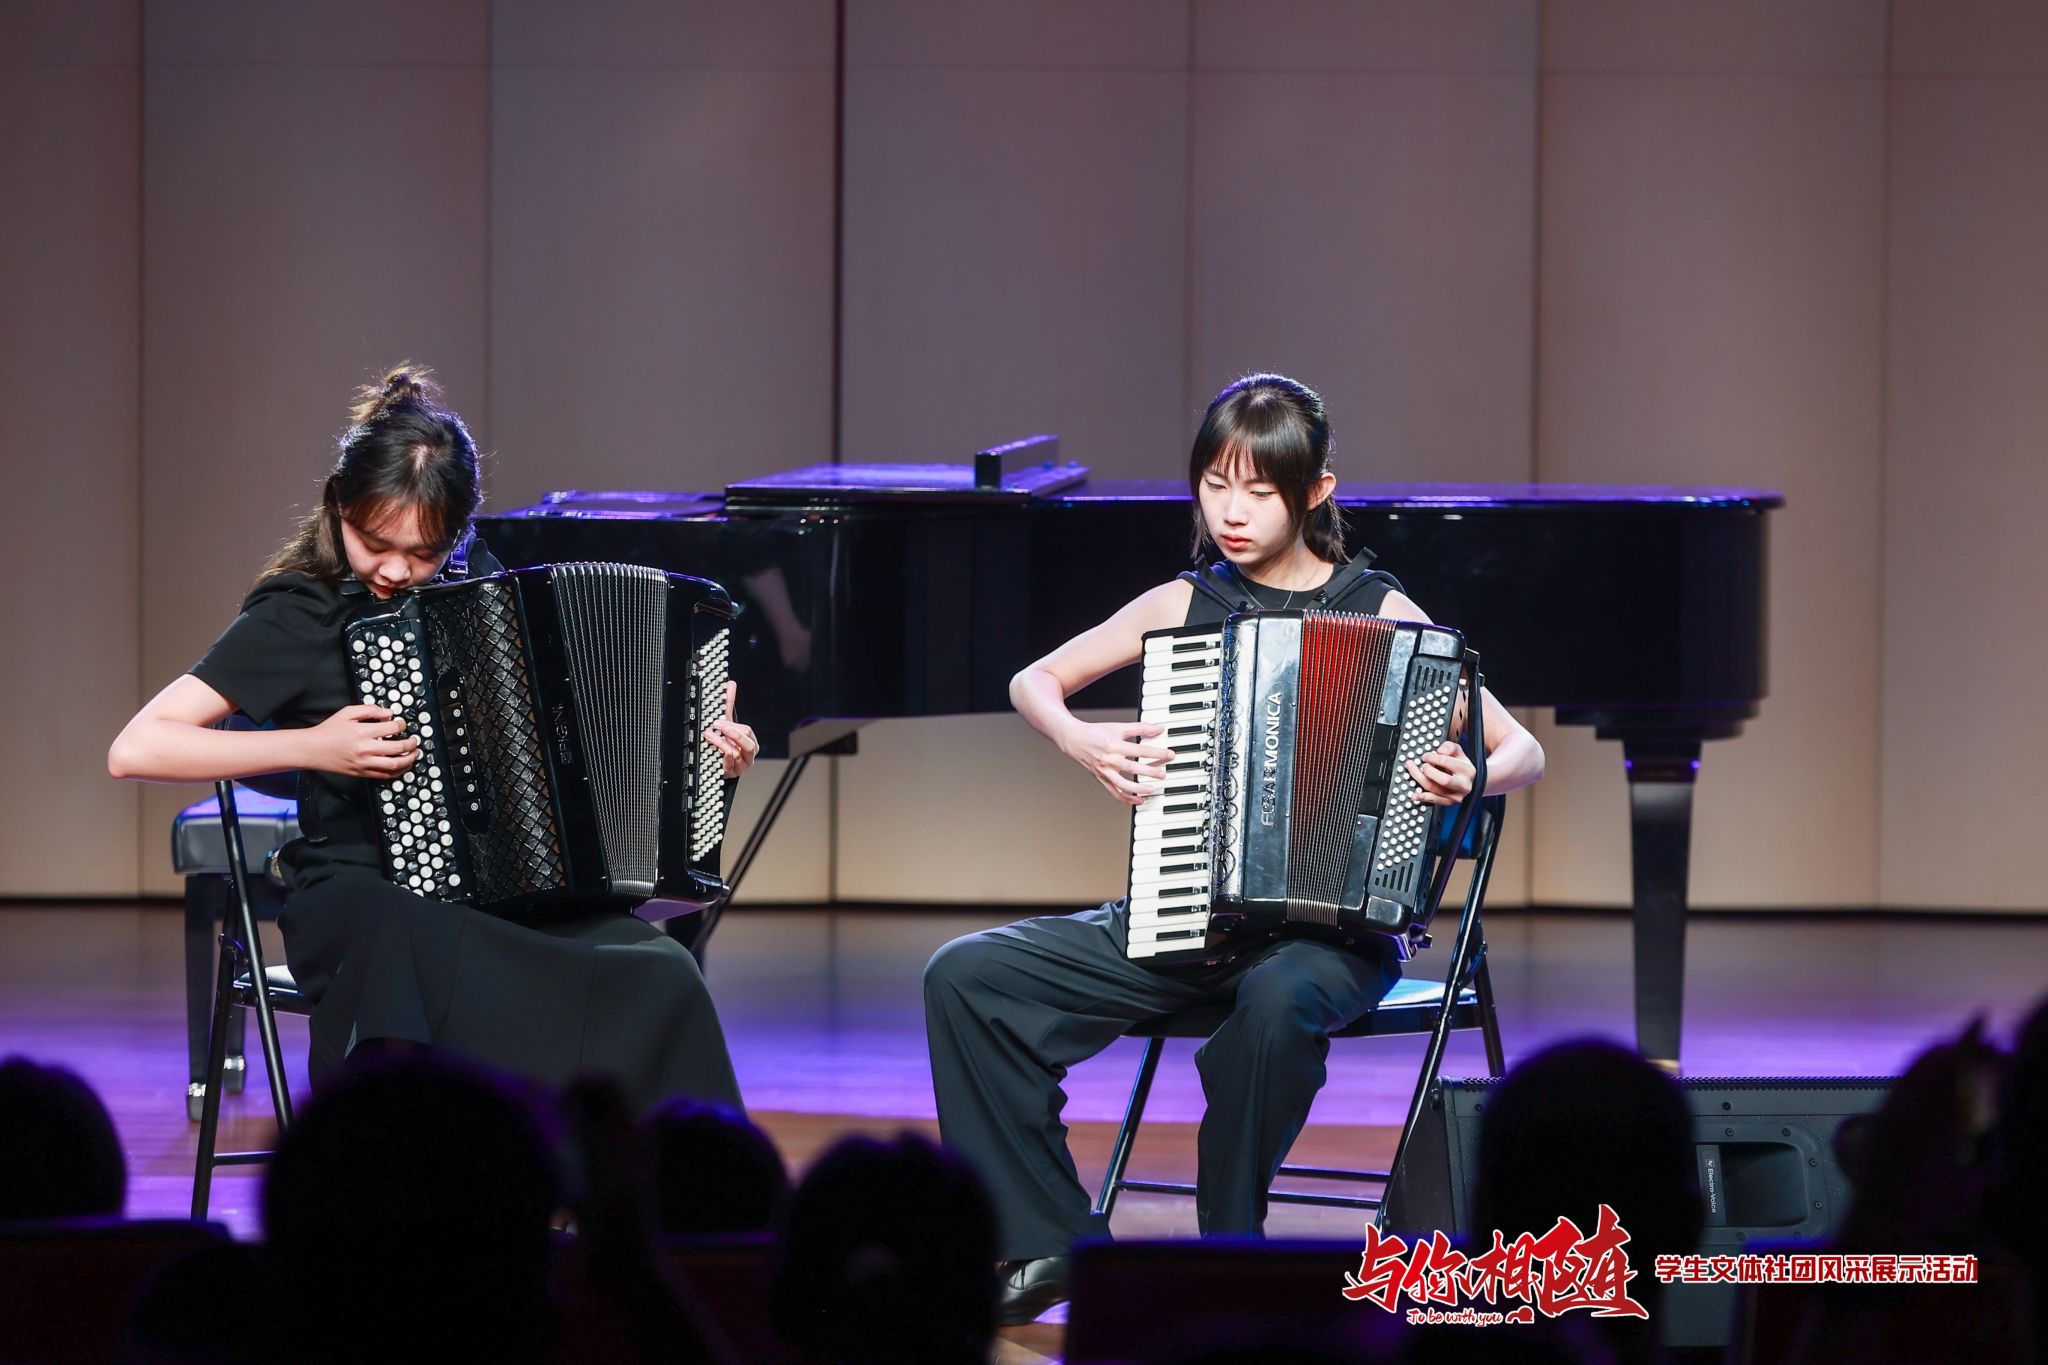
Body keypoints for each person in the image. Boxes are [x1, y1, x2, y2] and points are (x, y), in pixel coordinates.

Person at [923, 373, 1546, 1324]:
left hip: (1329, 941)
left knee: (1276, 1001)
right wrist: (1080, 738)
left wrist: (1474, 773)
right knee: (967, 976)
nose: (1232, 512)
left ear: (1316, 491)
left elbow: (1523, 749)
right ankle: (1053, 1238)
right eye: (1215, 486)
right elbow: (1033, 679)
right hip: (1187, 917)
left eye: (1259, 490)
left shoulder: (1380, 608)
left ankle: (1227, 1255)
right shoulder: (1185, 601)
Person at [108, 364, 755, 1112]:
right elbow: (137, 747)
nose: (395, 569)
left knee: (663, 972)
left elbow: (569, 763)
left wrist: (700, 758)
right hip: (360, 894)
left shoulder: (484, 592)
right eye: (375, 542)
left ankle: (629, 1174)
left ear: (458, 531)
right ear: (340, 507)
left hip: (498, 894)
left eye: (424, 552)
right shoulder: (300, 612)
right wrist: (311, 746)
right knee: (409, 943)